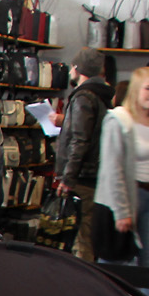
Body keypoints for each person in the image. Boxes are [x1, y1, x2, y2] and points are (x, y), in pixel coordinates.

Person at [95, 65, 149, 296]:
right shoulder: (118, 120)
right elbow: (112, 167)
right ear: (136, 90)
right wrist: (122, 211)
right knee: (117, 267)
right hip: (124, 198)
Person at [54, 47, 113, 261]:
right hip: (94, 175)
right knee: (86, 234)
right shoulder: (103, 95)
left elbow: (80, 140)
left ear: (78, 69)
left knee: (80, 238)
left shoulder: (83, 97)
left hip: (81, 178)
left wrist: (68, 178)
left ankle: (82, 278)